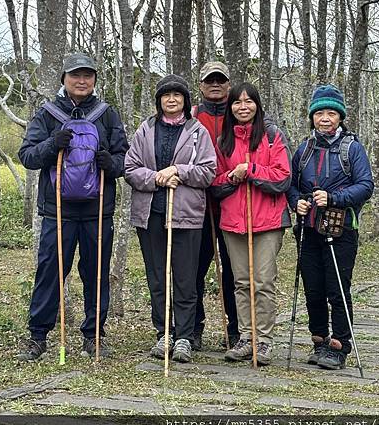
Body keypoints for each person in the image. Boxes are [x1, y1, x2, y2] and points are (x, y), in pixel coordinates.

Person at [17, 53, 128, 361]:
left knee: (96, 273)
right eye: (76, 75)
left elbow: (125, 160)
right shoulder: (48, 114)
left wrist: (112, 164)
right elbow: (26, 156)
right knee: (50, 271)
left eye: (88, 76)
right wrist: (53, 144)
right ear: (64, 78)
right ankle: (38, 336)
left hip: (97, 210)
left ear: (94, 79)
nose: (82, 81)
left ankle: (94, 335)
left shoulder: (107, 114)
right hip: (57, 211)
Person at [124, 74, 216, 363]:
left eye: (178, 95)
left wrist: (179, 170)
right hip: (151, 214)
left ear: (186, 100)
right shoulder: (146, 129)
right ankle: (164, 331)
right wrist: (157, 178)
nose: (172, 99)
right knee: (157, 277)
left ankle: (185, 337)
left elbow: (208, 171)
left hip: (185, 215)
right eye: (166, 95)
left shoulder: (198, 131)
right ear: (159, 100)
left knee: (186, 280)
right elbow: (130, 168)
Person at [287, 85, 374, 370]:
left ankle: (339, 345)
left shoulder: (352, 148)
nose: (325, 118)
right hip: (309, 228)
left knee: (337, 288)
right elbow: (291, 185)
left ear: (340, 117)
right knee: (313, 287)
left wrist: (335, 198)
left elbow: (365, 186)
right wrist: (297, 201)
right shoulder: (304, 149)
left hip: (342, 229)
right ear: (312, 116)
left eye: (331, 113)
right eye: (320, 113)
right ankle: (319, 339)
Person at [211, 83, 292, 365]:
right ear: (230, 107)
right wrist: (233, 176)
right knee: (241, 282)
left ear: (257, 105)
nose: (242, 107)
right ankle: (246, 337)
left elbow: (283, 177)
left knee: (263, 282)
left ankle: (265, 340)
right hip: (233, 222)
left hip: (267, 221)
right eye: (236, 102)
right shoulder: (223, 141)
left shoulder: (271, 136)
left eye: (248, 101)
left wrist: (252, 170)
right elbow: (215, 180)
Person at [192, 61, 239, 351]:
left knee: (234, 273)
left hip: (233, 208)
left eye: (220, 80)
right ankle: (193, 329)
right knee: (193, 271)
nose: (215, 85)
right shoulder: (192, 117)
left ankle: (236, 331)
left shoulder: (241, 115)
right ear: (201, 85)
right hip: (198, 208)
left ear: (228, 85)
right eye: (210, 80)